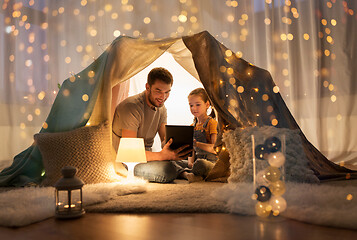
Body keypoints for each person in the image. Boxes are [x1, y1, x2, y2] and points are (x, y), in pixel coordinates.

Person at [112, 67, 191, 183]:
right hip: (127, 161)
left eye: (167, 92)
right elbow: (131, 154)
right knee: (167, 170)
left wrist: (180, 147)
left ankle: (187, 169)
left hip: (149, 157)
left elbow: (165, 139)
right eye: (158, 91)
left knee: (190, 162)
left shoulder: (161, 108)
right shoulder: (131, 107)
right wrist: (162, 156)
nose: (163, 97)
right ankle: (184, 172)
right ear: (147, 87)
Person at [179, 88, 218, 183]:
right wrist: (190, 163)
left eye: (198, 105)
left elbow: (215, 149)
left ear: (207, 105)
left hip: (210, 161)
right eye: (191, 105)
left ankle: (187, 173)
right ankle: (191, 173)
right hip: (197, 159)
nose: (194, 108)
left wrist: (198, 144)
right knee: (173, 162)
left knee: (201, 164)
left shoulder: (212, 123)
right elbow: (191, 149)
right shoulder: (192, 126)